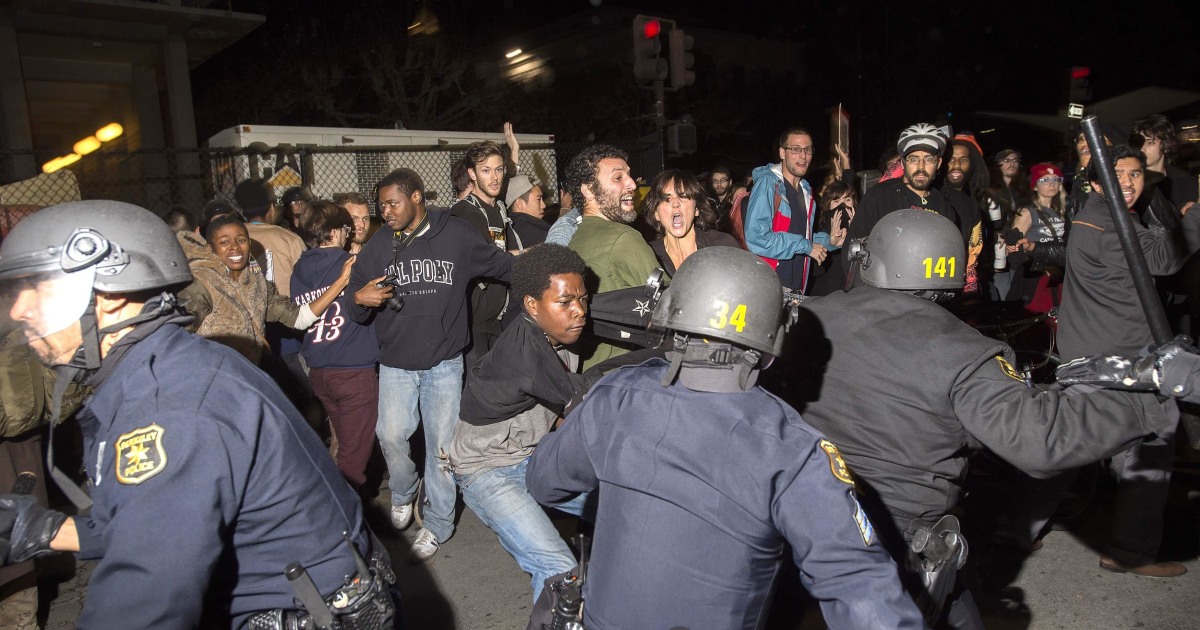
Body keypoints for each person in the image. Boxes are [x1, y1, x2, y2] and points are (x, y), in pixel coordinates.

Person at [0, 201, 395, 627]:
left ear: (109, 299)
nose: (20, 310)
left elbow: (144, 602)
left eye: (37, 290)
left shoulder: (170, 405)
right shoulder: (161, 366)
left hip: (303, 609)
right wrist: (45, 532)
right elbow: (159, 523)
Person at [787, 208, 1178, 628]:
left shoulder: (808, 317)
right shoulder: (965, 353)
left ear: (867, 257)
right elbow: (1040, 441)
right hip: (896, 542)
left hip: (804, 520)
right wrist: (1151, 399)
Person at [525, 247, 925, 630]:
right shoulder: (793, 447)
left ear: (674, 318)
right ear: (769, 343)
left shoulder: (617, 394)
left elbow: (544, 481)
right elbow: (858, 583)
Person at [348, 167, 512, 561]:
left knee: (441, 448)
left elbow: (504, 266)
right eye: (381, 205)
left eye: (393, 203)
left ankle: (438, 522)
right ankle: (404, 491)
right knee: (390, 436)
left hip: (443, 362)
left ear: (417, 197)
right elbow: (355, 301)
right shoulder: (378, 244)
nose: (384, 212)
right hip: (396, 363)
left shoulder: (455, 235)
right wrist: (358, 300)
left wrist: (543, 275)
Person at [1046, 144, 1190, 577]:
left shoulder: (1101, 215)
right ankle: (1130, 551)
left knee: (1064, 444)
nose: (1127, 182)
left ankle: (1017, 528)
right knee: (1153, 438)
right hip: (1119, 359)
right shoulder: (1107, 225)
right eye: (1117, 174)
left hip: (1097, 351)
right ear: (1094, 182)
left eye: (1135, 174)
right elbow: (1165, 257)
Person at [448, 244, 591, 601]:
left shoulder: (559, 332)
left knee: (628, 503)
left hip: (533, 456)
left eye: (583, 299)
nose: (580, 312)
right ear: (531, 306)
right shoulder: (524, 352)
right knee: (561, 575)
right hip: (489, 467)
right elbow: (583, 404)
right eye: (565, 302)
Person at [174, 215, 350, 365]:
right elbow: (178, 341)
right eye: (224, 242)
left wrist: (340, 282)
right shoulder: (201, 283)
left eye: (241, 240)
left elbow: (299, 318)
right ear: (211, 248)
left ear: (249, 243)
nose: (234, 246)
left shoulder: (255, 282)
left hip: (248, 376)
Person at [292, 201, 379, 490]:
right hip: (353, 370)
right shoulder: (349, 265)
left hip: (320, 371)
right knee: (353, 459)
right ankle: (346, 516)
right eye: (345, 228)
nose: (348, 234)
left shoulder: (300, 268)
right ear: (333, 232)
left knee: (343, 444)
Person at [563, 144, 660, 370]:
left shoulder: (577, 236)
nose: (632, 184)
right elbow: (674, 307)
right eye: (618, 177)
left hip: (589, 376)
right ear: (588, 190)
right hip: (621, 378)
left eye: (629, 175)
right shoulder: (623, 238)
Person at [744, 127, 844, 293]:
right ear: (782, 153)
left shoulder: (805, 190)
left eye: (807, 150)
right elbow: (757, 238)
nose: (803, 156)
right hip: (770, 286)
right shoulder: (769, 184)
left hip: (797, 287)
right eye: (796, 149)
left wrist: (829, 242)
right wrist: (805, 246)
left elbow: (803, 236)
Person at [451, 141, 515, 367]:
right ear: (472, 174)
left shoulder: (498, 208)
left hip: (495, 319)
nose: (494, 177)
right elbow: (494, 260)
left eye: (499, 169)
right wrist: (531, 256)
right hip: (472, 323)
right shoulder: (465, 213)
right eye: (486, 171)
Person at [642, 169, 740, 277]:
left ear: (696, 209)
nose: (675, 203)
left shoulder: (721, 246)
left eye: (683, 196)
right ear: (656, 213)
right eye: (666, 199)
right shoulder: (648, 255)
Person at [1005, 163, 1067, 311]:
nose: (1051, 184)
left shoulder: (1065, 210)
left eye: (1055, 179)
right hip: (1035, 276)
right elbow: (1012, 249)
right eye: (1044, 180)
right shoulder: (1028, 212)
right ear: (1034, 186)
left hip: (1058, 274)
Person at [807, 180, 857, 296]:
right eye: (836, 201)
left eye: (847, 200)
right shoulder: (818, 229)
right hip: (825, 296)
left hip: (852, 297)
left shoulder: (862, 227)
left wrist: (855, 231)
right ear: (828, 204)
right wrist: (830, 244)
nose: (842, 205)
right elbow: (815, 271)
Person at [504, 174, 550, 250]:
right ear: (520, 204)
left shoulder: (509, 228)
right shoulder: (537, 234)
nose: (543, 205)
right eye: (538, 199)